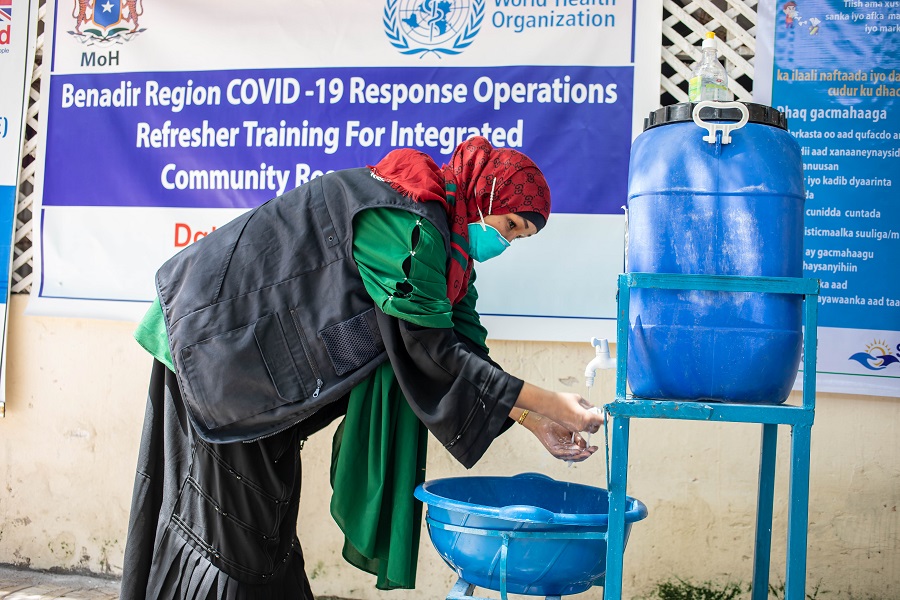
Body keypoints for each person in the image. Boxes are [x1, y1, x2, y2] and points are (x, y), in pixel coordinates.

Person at [121, 136, 604, 599]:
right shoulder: (408, 221)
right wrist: (552, 402)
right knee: (233, 535)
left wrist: (535, 419)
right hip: (217, 345)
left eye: (522, 236)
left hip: (266, 371)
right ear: (485, 193)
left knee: (263, 523)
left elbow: (465, 346)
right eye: (513, 224)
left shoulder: (447, 255)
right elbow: (434, 349)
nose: (509, 241)